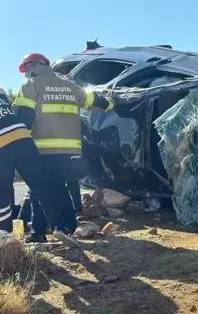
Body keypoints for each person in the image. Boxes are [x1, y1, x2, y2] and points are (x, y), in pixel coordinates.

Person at [12, 53, 114, 243]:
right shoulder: (71, 87)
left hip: (42, 149)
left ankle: (38, 233)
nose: (25, 74)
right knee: (60, 186)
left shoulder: (31, 86)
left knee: (39, 190)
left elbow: (23, 119)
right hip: (70, 151)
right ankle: (67, 227)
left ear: (35, 66)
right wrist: (111, 99)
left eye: (26, 69)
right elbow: (103, 104)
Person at [0, 88, 77, 246]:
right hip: (23, 138)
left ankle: (5, 234)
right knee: (41, 185)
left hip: (2, 142)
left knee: (4, 189)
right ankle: (59, 226)